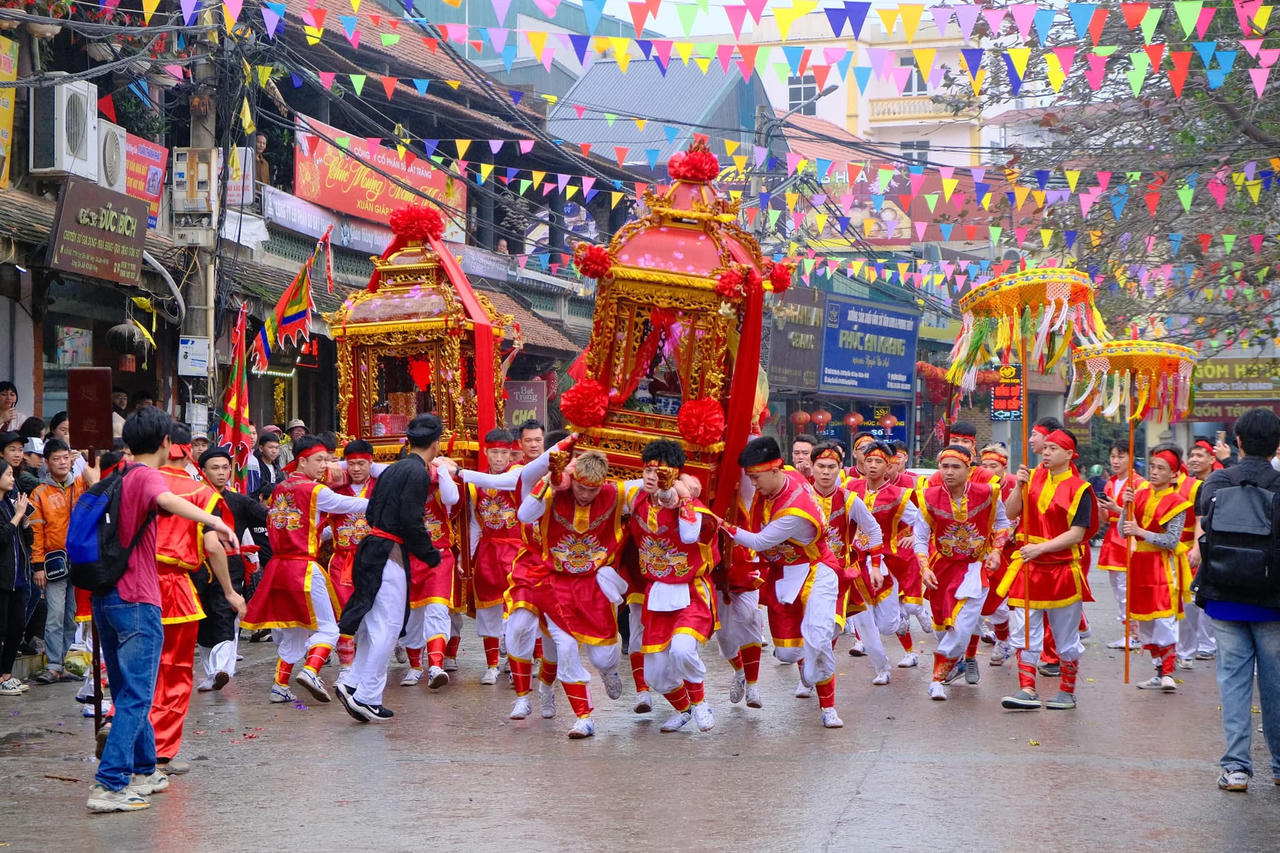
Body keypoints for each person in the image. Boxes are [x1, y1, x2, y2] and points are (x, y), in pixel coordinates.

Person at [87, 406, 234, 813]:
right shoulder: (148, 476)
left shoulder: (116, 474)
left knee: (130, 689)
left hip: (106, 595)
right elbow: (169, 499)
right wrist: (216, 522)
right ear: (168, 443)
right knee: (140, 695)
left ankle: (147, 768)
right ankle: (109, 783)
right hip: (139, 597)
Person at [720, 437, 844, 729]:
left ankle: (828, 708)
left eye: (756, 478)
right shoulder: (786, 474)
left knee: (818, 637)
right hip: (784, 575)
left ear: (775, 470)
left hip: (817, 570)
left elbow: (759, 541)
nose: (754, 483)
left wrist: (718, 521)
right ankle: (813, 654)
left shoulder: (794, 509)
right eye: (750, 478)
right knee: (788, 653)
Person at [1188, 407, 1280, 792]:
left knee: (1233, 682)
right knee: (1275, 685)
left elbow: (1205, 523)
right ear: (1276, 444)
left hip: (1223, 594)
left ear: (1237, 442)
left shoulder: (1215, 483)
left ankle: (1237, 768)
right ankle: (1278, 765)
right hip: (1272, 598)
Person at [240, 435, 367, 706]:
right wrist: (384, 500)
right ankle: (310, 671)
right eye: (319, 460)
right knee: (329, 629)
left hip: (279, 566)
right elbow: (350, 505)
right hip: (302, 567)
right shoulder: (314, 490)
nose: (325, 465)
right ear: (302, 461)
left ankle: (280, 686)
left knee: (294, 631)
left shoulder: (280, 488)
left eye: (327, 459)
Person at [336, 415, 444, 722]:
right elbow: (412, 521)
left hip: (371, 547)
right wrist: (429, 554)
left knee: (372, 625)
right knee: (389, 626)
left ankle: (353, 683)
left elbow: (371, 511)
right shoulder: (418, 473)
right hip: (389, 551)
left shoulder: (393, 469)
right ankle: (367, 696)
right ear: (436, 444)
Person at [150, 425, 244, 774]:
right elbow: (211, 545)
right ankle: (160, 751)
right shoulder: (198, 492)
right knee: (174, 673)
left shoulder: (125, 480)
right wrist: (231, 591)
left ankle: (119, 723)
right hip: (173, 588)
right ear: (187, 451)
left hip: (126, 585)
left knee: (137, 667)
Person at [516, 450, 627, 739]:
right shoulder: (553, 493)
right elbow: (523, 514)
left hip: (594, 588)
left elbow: (655, 490)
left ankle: (610, 670)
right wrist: (548, 484)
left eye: (593, 489)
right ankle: (584, 717)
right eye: (580, 487)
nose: (586, 494)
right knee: (565, 649)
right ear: (571, 478)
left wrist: (673, 489)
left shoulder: (616, 494)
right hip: (557, 586)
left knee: (603, 657)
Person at [998, 428, 1097, 711]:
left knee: (1065, 636)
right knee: (1025, 632)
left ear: (1069, 454)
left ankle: (1067, 691)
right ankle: (1027, 689)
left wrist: (1040, 548)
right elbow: (1010, 512)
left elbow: (1077, 534)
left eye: (1054, 448)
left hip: (1063, 570)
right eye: (1046, 447)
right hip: (1030, 568)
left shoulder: (1080, 489)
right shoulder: (1031, 477)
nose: (1046, 452)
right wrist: (1018, 486)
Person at [629, 440, 719, 733]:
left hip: (689, 591)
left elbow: (691, 536)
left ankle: (701, 701)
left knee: (681, 650)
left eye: (660, 470)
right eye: (648, 469)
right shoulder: (636, 499)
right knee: (655, 674)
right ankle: (685, 709)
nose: (652, 475)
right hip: (657, 593)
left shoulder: (690, 504)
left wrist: (681, 497)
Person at [912, 445, 1010, 701]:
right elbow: (920, 537)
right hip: (941, 569)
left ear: (969, 469)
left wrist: (997, 551)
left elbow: (1002, 522)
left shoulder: (987, 493)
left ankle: (936, 680)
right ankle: (954, 665)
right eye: (944, 466)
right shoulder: (928, 497)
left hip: (975, 568)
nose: (949, 472)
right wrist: (923, 567)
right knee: (942, 628)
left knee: (961, 628)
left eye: (956, 467)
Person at [809, 441, 890, 687]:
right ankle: (810, 675)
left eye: (831, 467)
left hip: (843, 573)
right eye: (820, 466)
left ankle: (883, 668)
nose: (825, 472)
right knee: (814, 626)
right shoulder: (801, 497)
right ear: (812, 467)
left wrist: (875, 566)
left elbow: (874, 531)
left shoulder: (849, 500)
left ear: (840, 469)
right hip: (807, 573)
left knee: (862, 624)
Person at [849, 441, 927, 670]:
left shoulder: (898, 495)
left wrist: (914, 537)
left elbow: (921, 522)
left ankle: (901, 622)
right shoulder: (850, 488)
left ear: (889, 466)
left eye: (879, 462)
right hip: (855, 561)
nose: (872, 466)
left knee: (886, 626)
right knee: (861, 618)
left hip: (885, 562)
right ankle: (880, 668)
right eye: (869, 460)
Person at [1120, 444, 1192, 692]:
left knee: (1164, 618)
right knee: (1146, 621)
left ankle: (1169, 672)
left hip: (1162, 565)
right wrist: (1124, 508)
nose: (1154, 472)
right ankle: (1157, 669)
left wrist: (1141, 532)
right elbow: (1123, 531)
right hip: (1139, 562)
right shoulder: (1138, 494)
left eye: (1161, 468)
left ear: (1173, 474)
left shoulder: (1177, 502)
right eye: (1152, 466)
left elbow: (1171, 541)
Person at [195, 447, 266, 692]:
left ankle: (221, 669)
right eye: (215, 468)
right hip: (199, 566)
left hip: (231, 566)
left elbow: (266, 517)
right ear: (202, 471)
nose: (222, 473)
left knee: (226, 613)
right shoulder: (193, 499)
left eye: (225, 467)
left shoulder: (239, 500)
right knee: (203, 619)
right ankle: (210, 673)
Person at [29, 438, 94, 684]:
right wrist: (38, 566)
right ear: (46, 463)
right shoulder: (39, 493)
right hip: (53, 562)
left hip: (79, 560)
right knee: (55, 614)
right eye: (56, 459)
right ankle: (54, 664)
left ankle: (61, 662)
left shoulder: (81, 485)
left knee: (71, 616)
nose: (62, 462)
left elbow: (97, 481)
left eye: (66, 457)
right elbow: (36, 533)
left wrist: (83, 461)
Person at [462, 429, 519, 686]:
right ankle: (492, 665)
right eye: (494, 452)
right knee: (489, 610)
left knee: (515, 609)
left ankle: (517, 660)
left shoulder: (518, 477)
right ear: (485, 452)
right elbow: (474, 524)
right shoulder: (475, 486)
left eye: (504, 452)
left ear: (510, 453)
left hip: (514, 551)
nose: (499, 458)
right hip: (487, 552)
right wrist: (468, 558)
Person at [1097, 443, 1144, 650]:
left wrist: (1116, 508)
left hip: (1130, 537)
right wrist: (1101, 508)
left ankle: (1136, 633)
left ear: (1131, 458)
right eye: (1113, 457)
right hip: (1113, 539)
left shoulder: (1140, 484)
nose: (1116, 461)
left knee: (1128, 588)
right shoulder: (1110, 484)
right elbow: (1105, 519)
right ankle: (1129, 631)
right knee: (1118, 589)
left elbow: (1142, 516)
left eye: (1121, 457)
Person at [1178, 440, 1220, 667]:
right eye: (1192, 455)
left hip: (1213, 546)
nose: (1194, 459)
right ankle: (1193, 644)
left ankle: (1208, 643)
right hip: (1193, 547)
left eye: (1200, 456)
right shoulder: (1190, 485)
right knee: (1193, 596)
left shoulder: (1220, 480)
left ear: (1212, 460)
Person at [0, 460, 33, 696]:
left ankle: (6, 674)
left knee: (17, 627)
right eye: (8, 474)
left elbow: (25, 540)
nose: (12, 479)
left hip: (18, 575)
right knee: (1, 628)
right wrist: (17, 515)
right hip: (2, 578)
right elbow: (1, 538)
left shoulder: (10, 504)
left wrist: (25, 521)